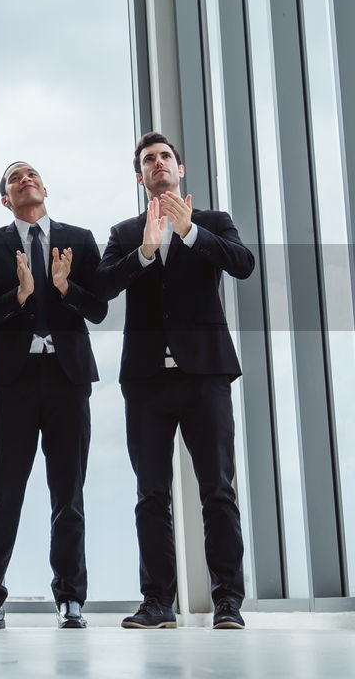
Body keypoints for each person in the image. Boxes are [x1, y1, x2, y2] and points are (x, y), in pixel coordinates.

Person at [97, 132, 254, 630]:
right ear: (139, 175)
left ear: (179, 170)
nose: (158, 163)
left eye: (165, 156)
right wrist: (143, 252)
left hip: (204, 374)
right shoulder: (124, 232)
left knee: (218, 491)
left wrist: (190, 234)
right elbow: (100, 290)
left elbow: (243, 264)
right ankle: (157, 603)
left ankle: (228, 601)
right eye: (148, 159)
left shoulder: (212, 222)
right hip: (145, 381)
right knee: (151, 494)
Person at [0, 161, 107, 630]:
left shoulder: (80, 239)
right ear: (6, 199)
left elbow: (100, 308)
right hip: (15, 380)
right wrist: (20, 296)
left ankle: (71, 600)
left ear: (44, 188)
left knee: (68, 492)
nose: (25, 180)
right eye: (13, 179)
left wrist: (65, 287)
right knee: (4, 492)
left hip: (68, 378)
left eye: (31, 175)